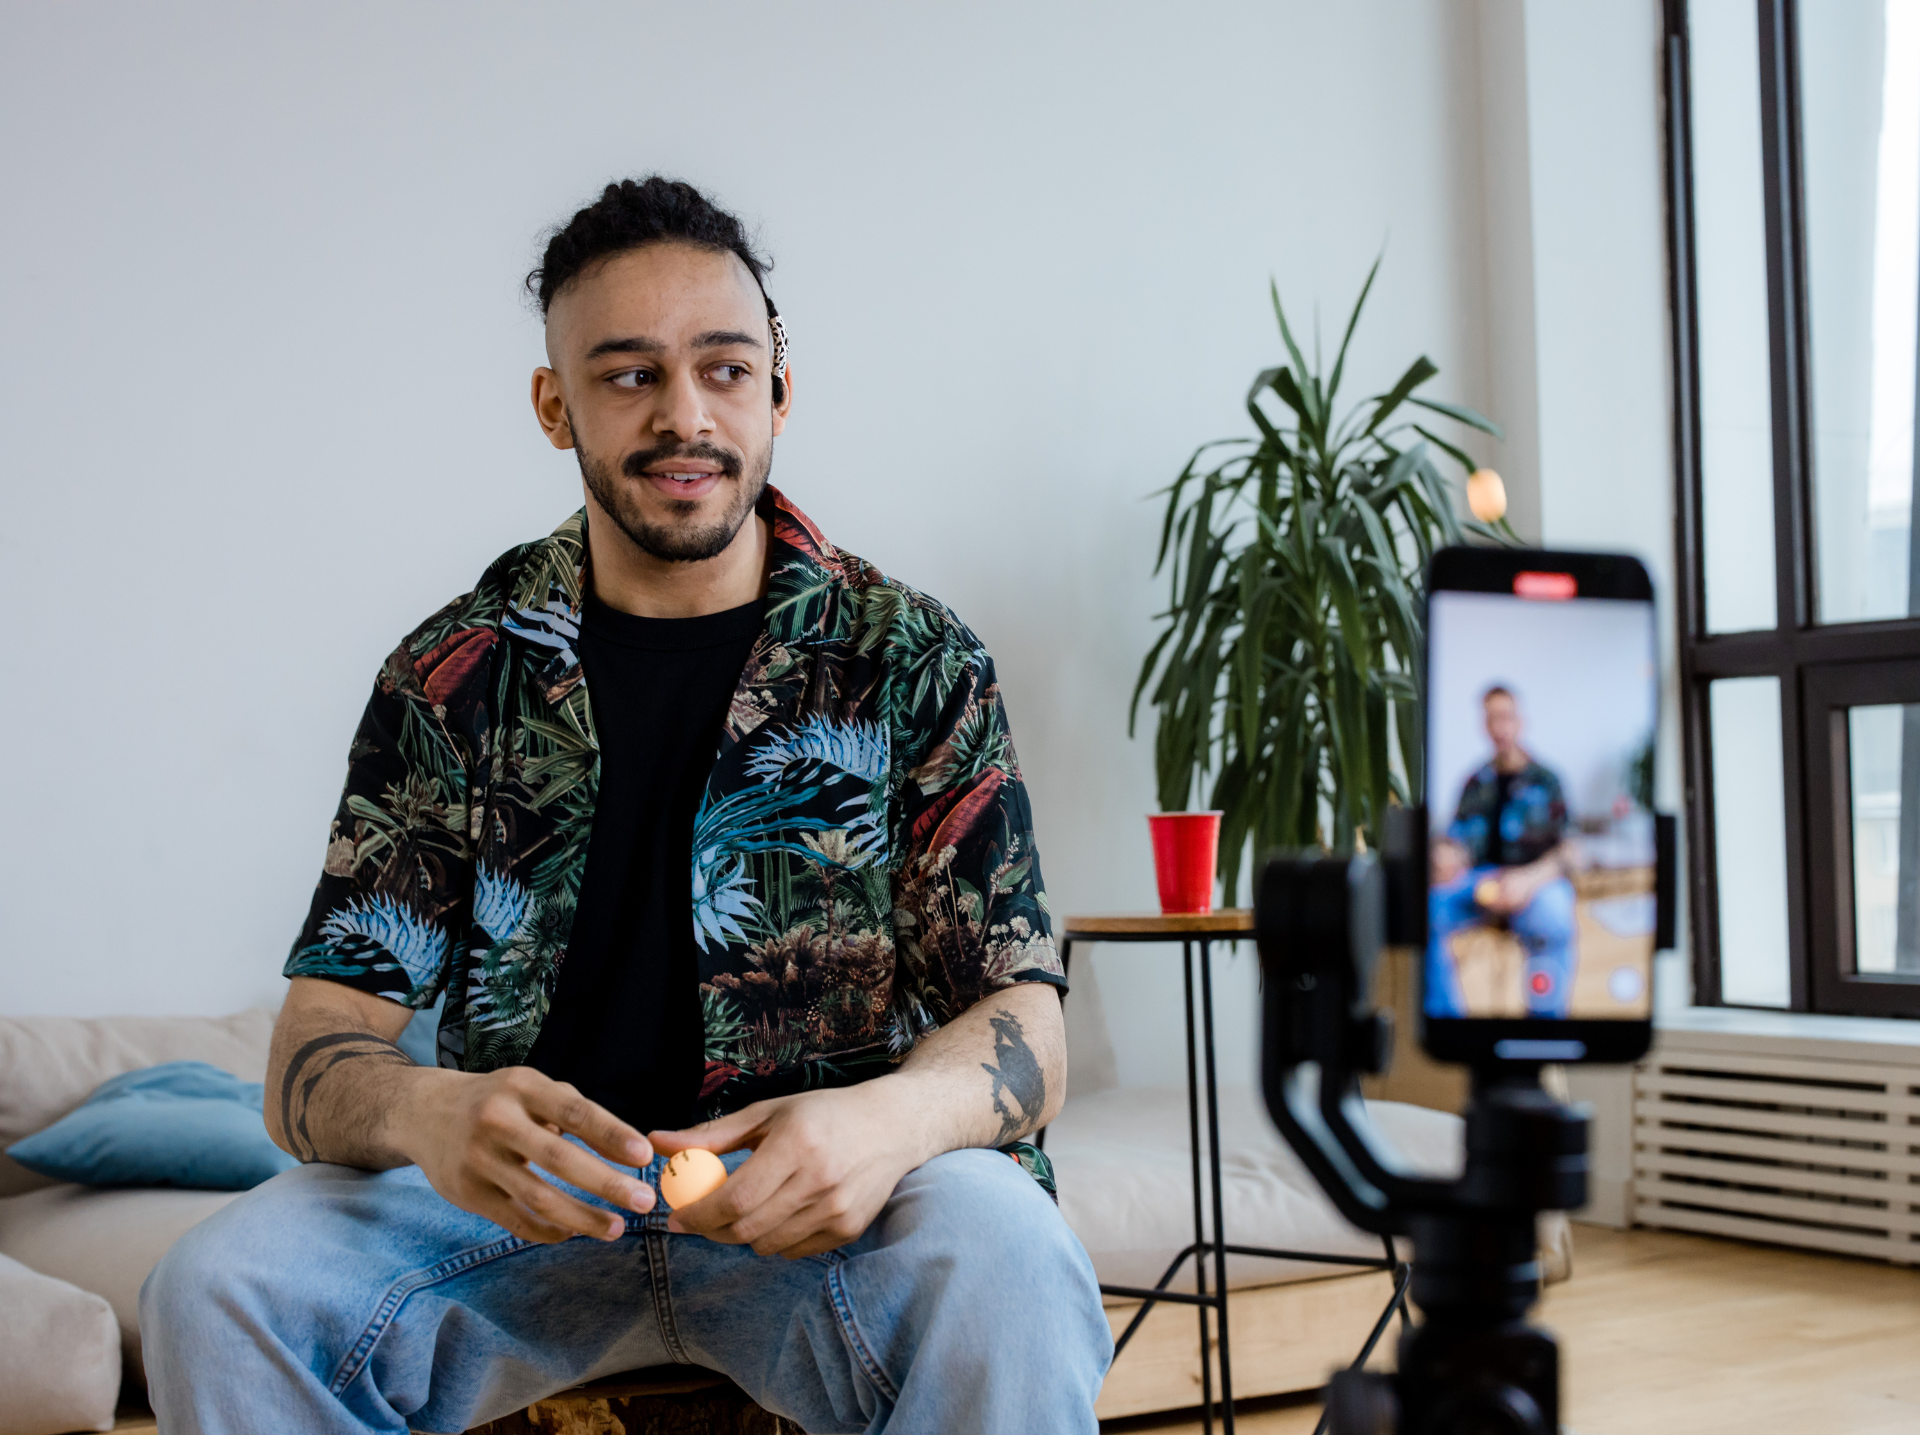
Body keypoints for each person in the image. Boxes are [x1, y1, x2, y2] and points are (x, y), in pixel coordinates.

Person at [139, 177, 1111, 1435]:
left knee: (1010, 1258)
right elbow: (311, 1057)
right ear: (556, 407)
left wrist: (887, 1122)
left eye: (723, 368)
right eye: (629, 376)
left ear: (779, 392)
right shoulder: (453, 675)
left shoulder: (913, 657)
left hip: (830, 1213)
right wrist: (430, 1109)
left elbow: (1025, 1023)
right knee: (213, 1288)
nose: (685, 416)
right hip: (516, 1225)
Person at [1427, 685, 1579, 1019]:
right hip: (1479, 884)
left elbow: (1569, 852)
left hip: (1535, 882)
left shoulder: (1548, 780)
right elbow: (1456, 841)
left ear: (1520, 721)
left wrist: (1528, 880)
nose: (1500, 727)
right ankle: (1449, 1026)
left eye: (1505, 717)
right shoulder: (1473, 783)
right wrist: (1446, 856)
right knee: (1424, 911)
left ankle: (1544, 1031)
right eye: (1491, 719)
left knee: (1554, 915)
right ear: (1484, 726)